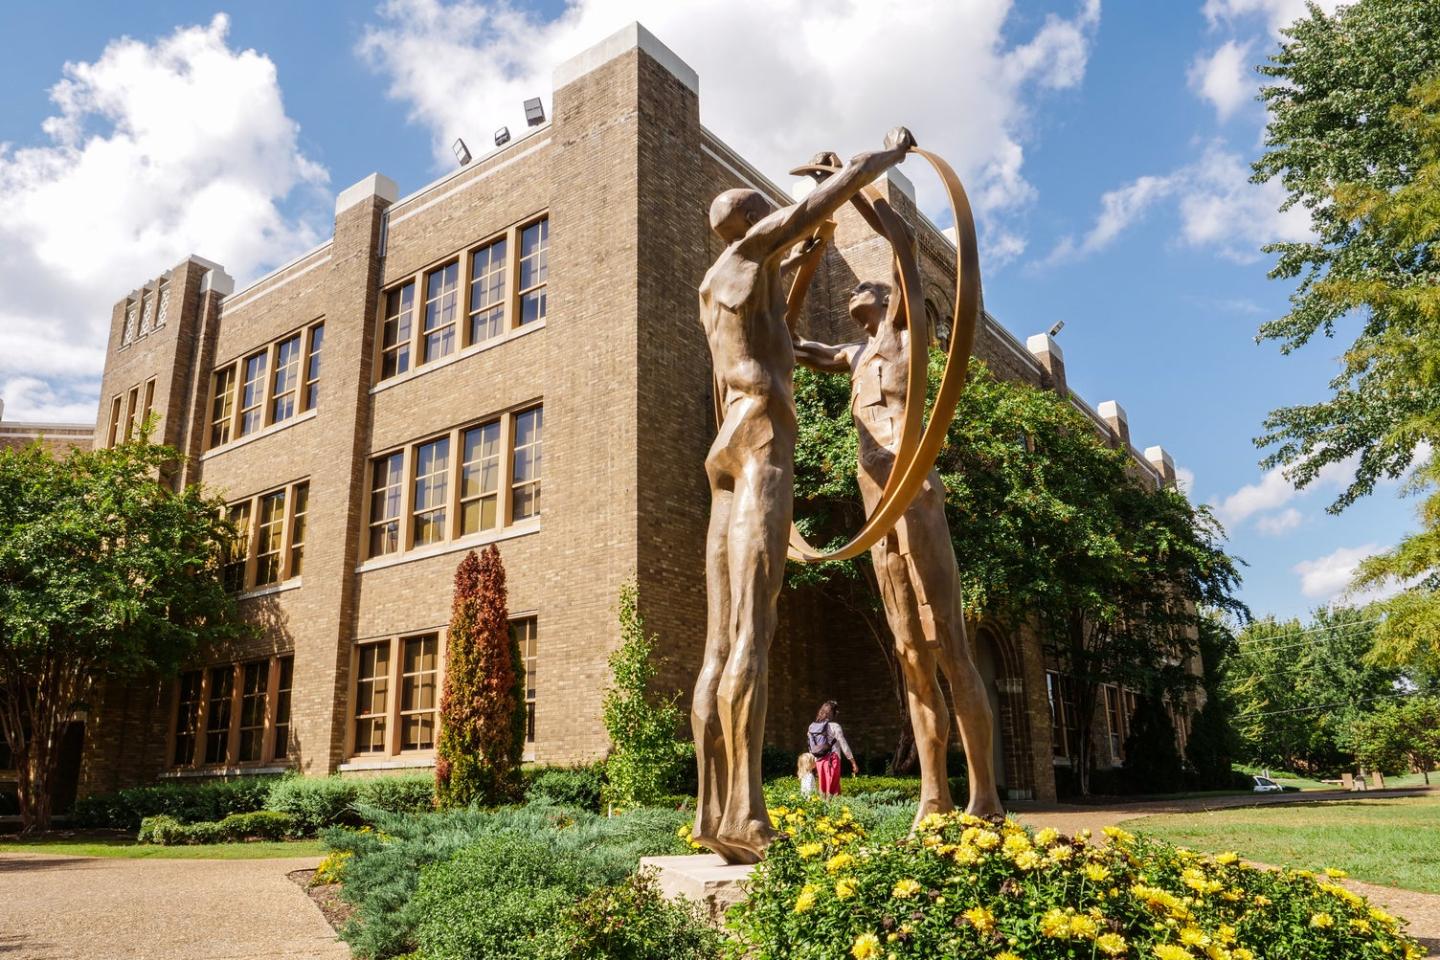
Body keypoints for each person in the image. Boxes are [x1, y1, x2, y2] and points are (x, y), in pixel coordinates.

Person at [691, 127, 917, 865]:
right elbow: (822, 198)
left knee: (719, 641)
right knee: (754, 632)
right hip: (759, 444)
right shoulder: (754, 249)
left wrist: (814, 256)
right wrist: (883, 158)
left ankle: (708, 814)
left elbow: (779, 335)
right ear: (754, 220)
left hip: (724, 443)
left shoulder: (718, 285)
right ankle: (747, 816)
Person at [790, 171, 1004, 822]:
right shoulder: (850, 357)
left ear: (887, 299)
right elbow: (788, 341)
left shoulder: (908, 336)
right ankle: (933, 795)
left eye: (866, 287)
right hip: (874, 516)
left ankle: (985, 796)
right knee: (911, 655)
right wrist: (803, 257)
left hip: (916, 498)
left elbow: (904, 241)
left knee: (950, 650)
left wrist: (847, 184)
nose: (856, 292)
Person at [807, 700, 858, 796]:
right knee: (833, 790)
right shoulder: (835, 726)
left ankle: (824, 809)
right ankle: (834, 809)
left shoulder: (812, 727)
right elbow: (844, 745)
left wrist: (814, 760)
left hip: (819, 761)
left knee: (823, 790)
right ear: (833, 714)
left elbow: (811, 745)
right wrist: (853, 762)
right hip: (832, 759)